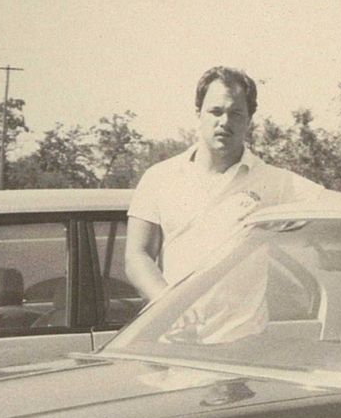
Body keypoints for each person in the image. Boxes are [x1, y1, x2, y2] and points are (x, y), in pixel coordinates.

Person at [125, 66, 326, 301]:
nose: (225, 122)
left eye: (236, 113)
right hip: (174, 323)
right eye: (216, 111)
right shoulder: (159, 178)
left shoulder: (276, 181)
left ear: (249, 120)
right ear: (199, 113)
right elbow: (137, 256)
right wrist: (170, 306)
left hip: (243, 326)